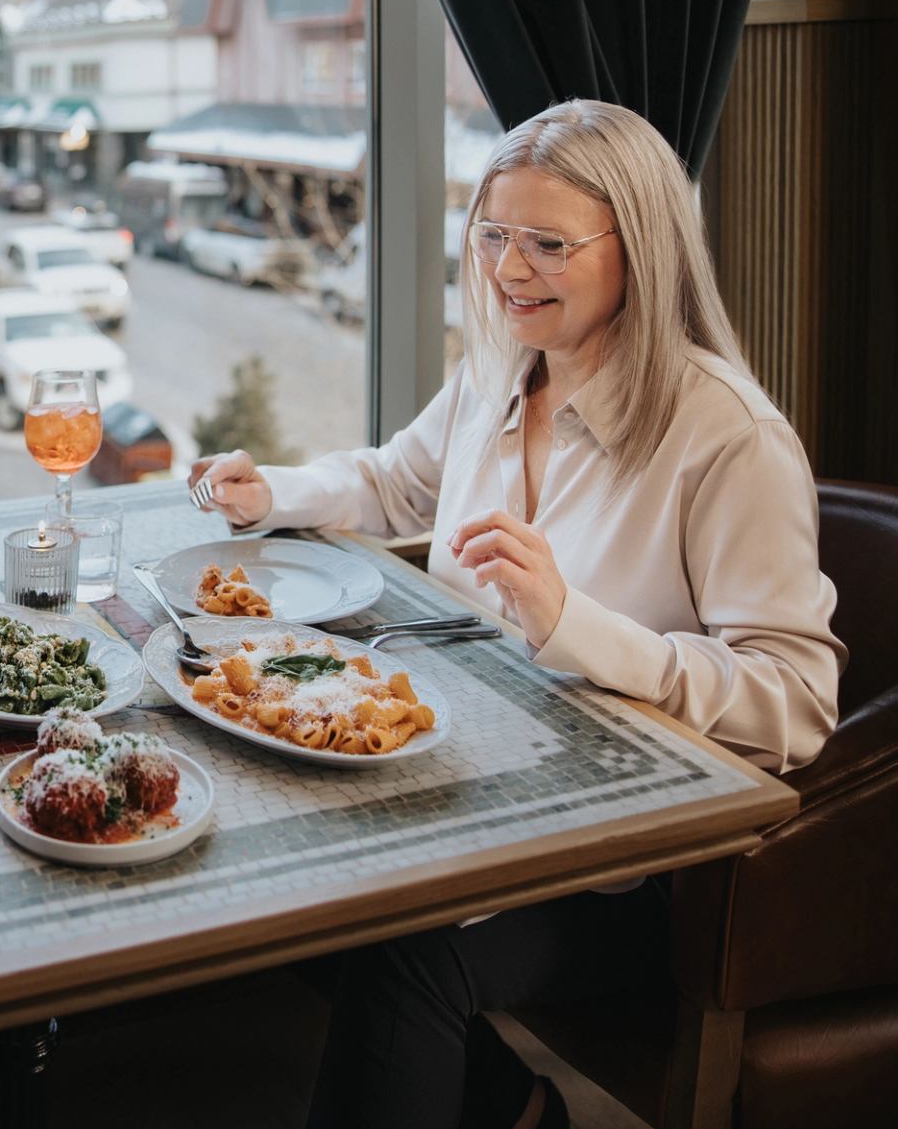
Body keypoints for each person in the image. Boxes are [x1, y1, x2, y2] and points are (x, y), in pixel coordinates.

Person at [189, 99, 845, 1129]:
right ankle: (514, 1110)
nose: (508, 269)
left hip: (632, 864)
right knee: (284, 875)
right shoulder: (501, 368)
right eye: (492, 235)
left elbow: (798, 703)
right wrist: (269, 494)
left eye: (548, 243)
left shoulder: (729, 440)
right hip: (476, 785)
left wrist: (574, 621)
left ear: (646, 248)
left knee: (404, 946)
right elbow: (395, 482)